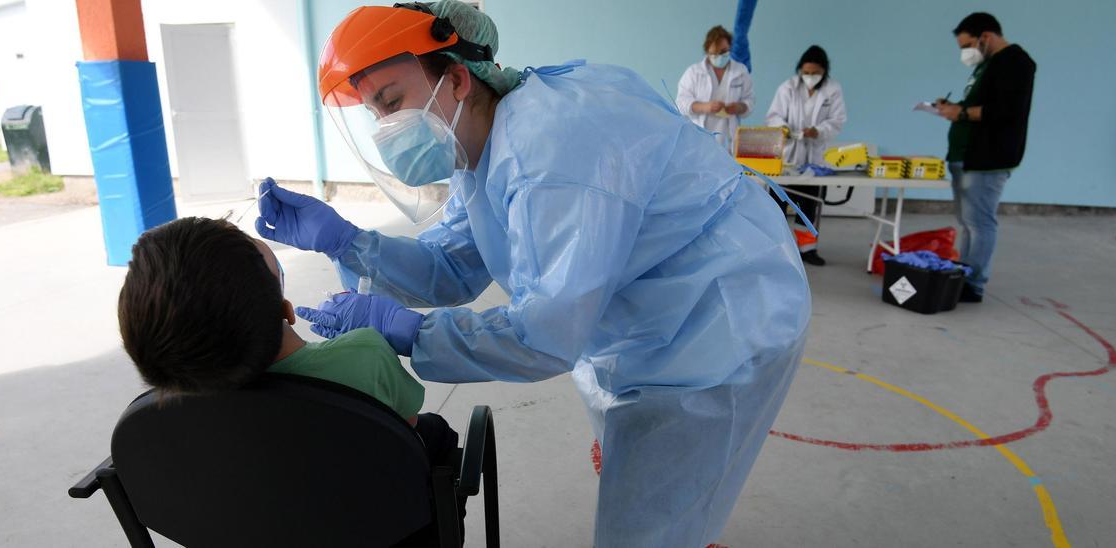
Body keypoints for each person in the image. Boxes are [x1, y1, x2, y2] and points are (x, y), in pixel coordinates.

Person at [255, 2, 810, 546]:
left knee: (651, 520)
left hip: (717, 324)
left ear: (455, 79)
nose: (386, 127)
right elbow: (454, 264)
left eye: (392, 100)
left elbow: (543, 336)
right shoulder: (482, 145)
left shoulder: (551, 154)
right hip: (642, 316)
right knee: (649, 478)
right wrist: (348, 242)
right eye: (374, 113)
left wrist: (415, 333)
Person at [115, 217, 462, 514]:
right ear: (286, 310)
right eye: (253, 246)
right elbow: (406, 432)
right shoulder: (365, 355)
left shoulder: (168, 410)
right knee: (435, 433)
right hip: (373, 522)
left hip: (249, 520)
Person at [934, 12, 1035, 302]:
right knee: (968, 221)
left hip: (987, 158)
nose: (966, 53)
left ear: (985, 37)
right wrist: (955, 108)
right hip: (966, 156)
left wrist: (961, 113)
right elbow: (982, 104)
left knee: (980, 222)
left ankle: (973, 283)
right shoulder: (989, 65)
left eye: (967, 46)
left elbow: (1005, 110)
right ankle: (963, 273)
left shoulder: (1015, 63)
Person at [765, 45, 847, 266]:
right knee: (777, 205)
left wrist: (818, 131)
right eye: (806, 73)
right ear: (800, 70)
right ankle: (777, 251)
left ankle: (807, 249)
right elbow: (773, 116)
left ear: (824, 71)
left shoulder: (833, 89)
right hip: (788, 155)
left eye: (815, 73)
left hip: (815, 157)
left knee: (809, 206)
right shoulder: (788, 88)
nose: (810, 77)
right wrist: (783, 128)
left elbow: (837, 120)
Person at [676, 25, 755, 154]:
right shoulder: (693, 73)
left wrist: (740, 107)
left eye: (723, 51)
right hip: (699, 139)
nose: (719, 56)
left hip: (729, 140)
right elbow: (680, 104)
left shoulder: (741, 71)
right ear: (707, 51)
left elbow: (750, 100)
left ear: (730, 48)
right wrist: (705, 107)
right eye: (714, 53)